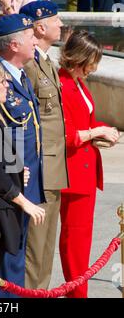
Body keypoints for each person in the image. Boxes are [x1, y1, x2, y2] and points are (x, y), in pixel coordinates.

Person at [0, 60, 45, 297]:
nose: (7, 85)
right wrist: (25, 203)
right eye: (2, 81)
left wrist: (16, 171)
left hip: (1, 204)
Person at [58, 30, 120, 298]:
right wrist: (96, 133)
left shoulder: (77, 82)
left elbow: (86, 122)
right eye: (92, 61)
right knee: (75, 243)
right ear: (79, 58)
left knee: (81, 242)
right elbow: (68, 135)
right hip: (73, 173)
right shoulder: (63, 83)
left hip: (83, 170)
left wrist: (105, 129)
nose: (94, 68)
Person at [0, 13, 46, 297]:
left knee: (20, 255)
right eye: (29, 36)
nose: (35, 40)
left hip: (28, 180)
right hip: (10, 184)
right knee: (7, 257)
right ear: (13, 44)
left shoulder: (21, 76)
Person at [20, 1, 68, 291]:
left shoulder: (47, 61)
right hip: (40, 167)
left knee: (47, 246)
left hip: (53, 166)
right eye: (56, 20)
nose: (61, 25)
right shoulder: (29, 64)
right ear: (40, 27)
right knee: (35, 250)